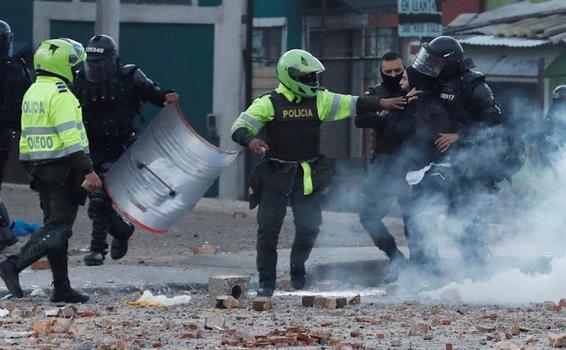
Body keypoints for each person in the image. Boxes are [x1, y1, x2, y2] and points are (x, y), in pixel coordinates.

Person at [231, 49, 384, 297]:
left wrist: (382, 102)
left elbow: (352, 102)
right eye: (307, 77)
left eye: (314, 77)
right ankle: (266, 284)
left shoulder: (320, 100)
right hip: (275, 174)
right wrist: (251, 141)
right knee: (268, 230)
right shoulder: (268, 103)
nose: (312, 82)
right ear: (291, 76)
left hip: (308, 175)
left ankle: (297, 272)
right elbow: (239, 126)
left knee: (310, 227)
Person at [0, 38, 102, 303]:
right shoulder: (62, 95)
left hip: (39, 169)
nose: (77, 70)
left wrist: (31, 167)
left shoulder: (34, 91)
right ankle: (14, 264)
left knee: (53, 228)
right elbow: (71, 139)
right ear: (61, 65)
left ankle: (61, 287)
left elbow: (25, 137)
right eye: (74, 65)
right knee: (59, 229)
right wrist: (88, 171)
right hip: (64, 170)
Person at [412, 35, 523, 264]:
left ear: (450, 62)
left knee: (467, 218)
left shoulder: (476, 87)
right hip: (439, 164)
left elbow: (494, 125)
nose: (430, 66)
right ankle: (425, 271)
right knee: (422, 214)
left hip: (471, 164)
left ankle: (477, 270)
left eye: (436, 61)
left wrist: (458, 136)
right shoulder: (434, 83)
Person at [73, 35, 177, 266]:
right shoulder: (79, 79)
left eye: (101, 62)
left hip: (121, 147)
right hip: (91, 147)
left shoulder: (129, 76)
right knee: (95, 203)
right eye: (93, 62)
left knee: (101, 197)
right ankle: (121, 231)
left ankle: (97, 249)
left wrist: (167, 96)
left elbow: (156, 96)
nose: (97, 68)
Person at [354, 52, 412, 280]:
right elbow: (360, 118)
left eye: (398, 71)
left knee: (415, 220)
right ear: (381, 72)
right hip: (384, 166)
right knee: (368, 216)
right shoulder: (377, 93)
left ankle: (421, 268)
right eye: (388, 72)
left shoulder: (414, 89)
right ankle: (395, 257)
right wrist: (386, 112)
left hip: (412, 165)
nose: (394, 76)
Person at [397, 66, 456, 274]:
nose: (400, 81)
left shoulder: (428, 106)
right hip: (421, 171)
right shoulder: (415, 104)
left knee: (423, 223)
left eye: (404, 78)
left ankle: (430, 271)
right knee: (417, 224)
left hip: (432, 171)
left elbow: (424, 135)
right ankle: (424, 269)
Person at [0, 20, 33, 250]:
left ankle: (4, 235)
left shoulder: (15, 69)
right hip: (7, 135)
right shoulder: (17, 69)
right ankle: (5, 235)